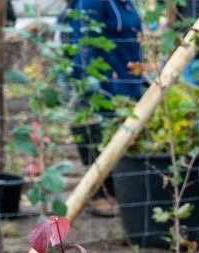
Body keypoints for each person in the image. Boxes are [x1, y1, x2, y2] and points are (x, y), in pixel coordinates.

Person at [66, 0, 144, 218]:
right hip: (106, 83)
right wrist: (89, 81)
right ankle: (97, 194)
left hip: (130, 82)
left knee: (120, 138)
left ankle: (114, 191)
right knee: (98, 135)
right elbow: (82, 40)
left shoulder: (127, 3)